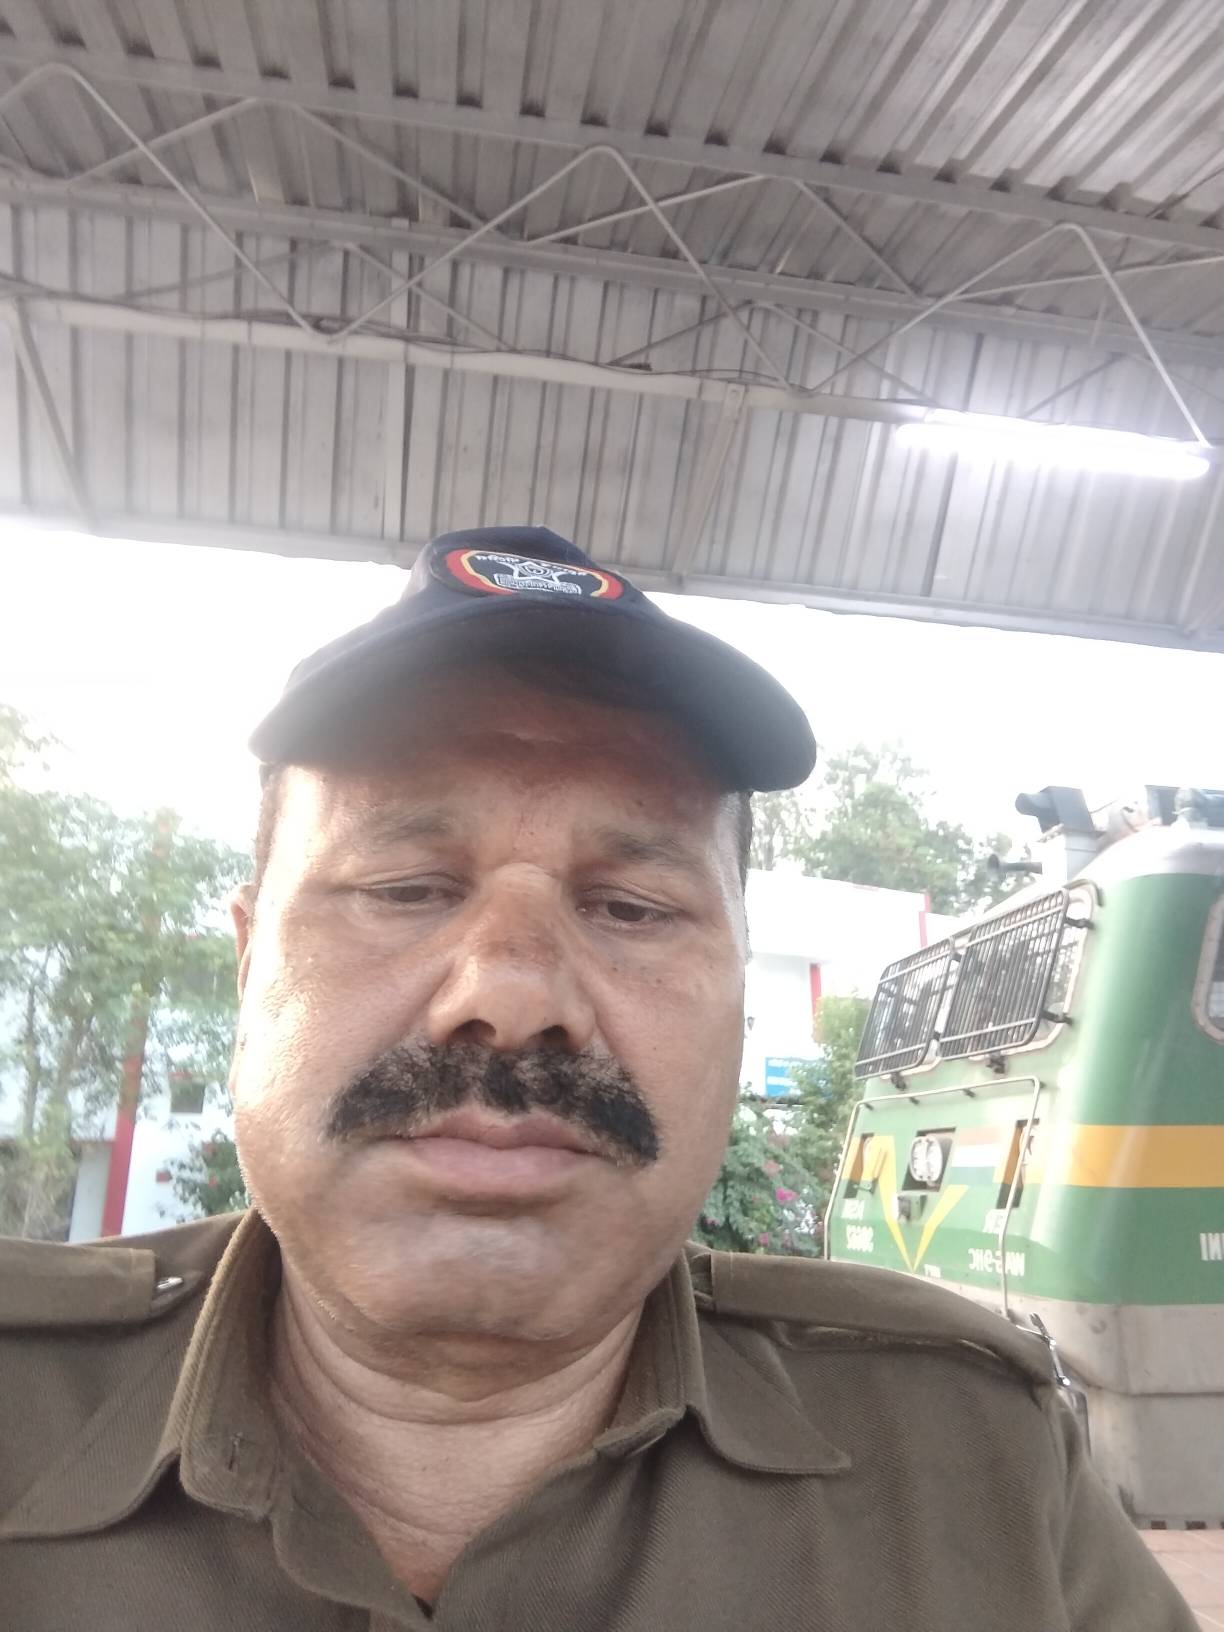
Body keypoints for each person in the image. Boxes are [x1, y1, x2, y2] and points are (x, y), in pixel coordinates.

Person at [0, 527, 1194, 1631]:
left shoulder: (984, 1463)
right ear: (249, 958)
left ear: (737, 997)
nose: (515, 993)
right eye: (406, 889)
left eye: (631, 907)